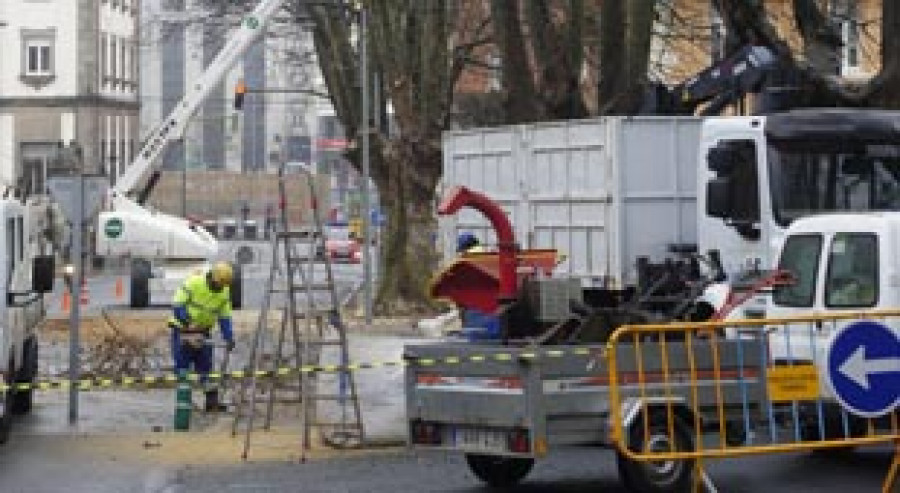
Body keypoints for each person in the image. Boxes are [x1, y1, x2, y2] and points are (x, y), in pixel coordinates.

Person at [169, 262, 236, 412]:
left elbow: (225, 317)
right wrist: (188, 322)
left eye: (223, 285)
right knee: (183, 368)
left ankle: (211, 403)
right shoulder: (194, 282)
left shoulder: (224, 291)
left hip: (203, 332)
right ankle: (184, 406)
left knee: (206, 368)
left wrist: (229, 337)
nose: (220, 288)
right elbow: (178, 305)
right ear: (212, 277)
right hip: (183, 331)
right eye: (219, 284)